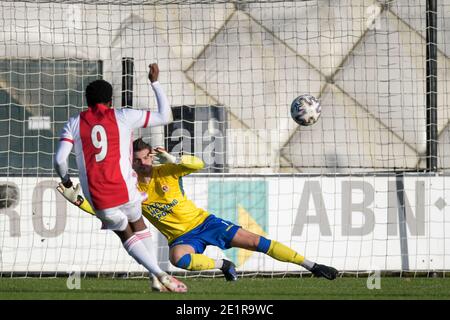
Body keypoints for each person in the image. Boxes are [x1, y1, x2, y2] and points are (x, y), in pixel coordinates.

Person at [59, 138, 339, 282]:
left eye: (146, 157)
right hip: (183, 238)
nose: (144, 162)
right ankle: (223, 265)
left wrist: (175, 158)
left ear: (152, 156)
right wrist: (80, 201)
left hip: (206, 223)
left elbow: (198, 165)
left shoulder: (166, 170)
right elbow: (110, 214)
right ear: (129, 163)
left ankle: (311, 266)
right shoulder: (129, 188)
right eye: (138, 159)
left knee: (258, 243)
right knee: (178, 259)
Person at [54, 64, 187, 293]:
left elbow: (59, 160)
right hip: (126, 189)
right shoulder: (123, 115)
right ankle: (155, 277)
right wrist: (155, 83)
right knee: (139, 224)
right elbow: (166, 116)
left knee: (125, 233)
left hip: (100, 197)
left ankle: (159, 275)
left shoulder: (73, 123)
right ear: (110, 101)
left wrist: (66, 181)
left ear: (87, 102)